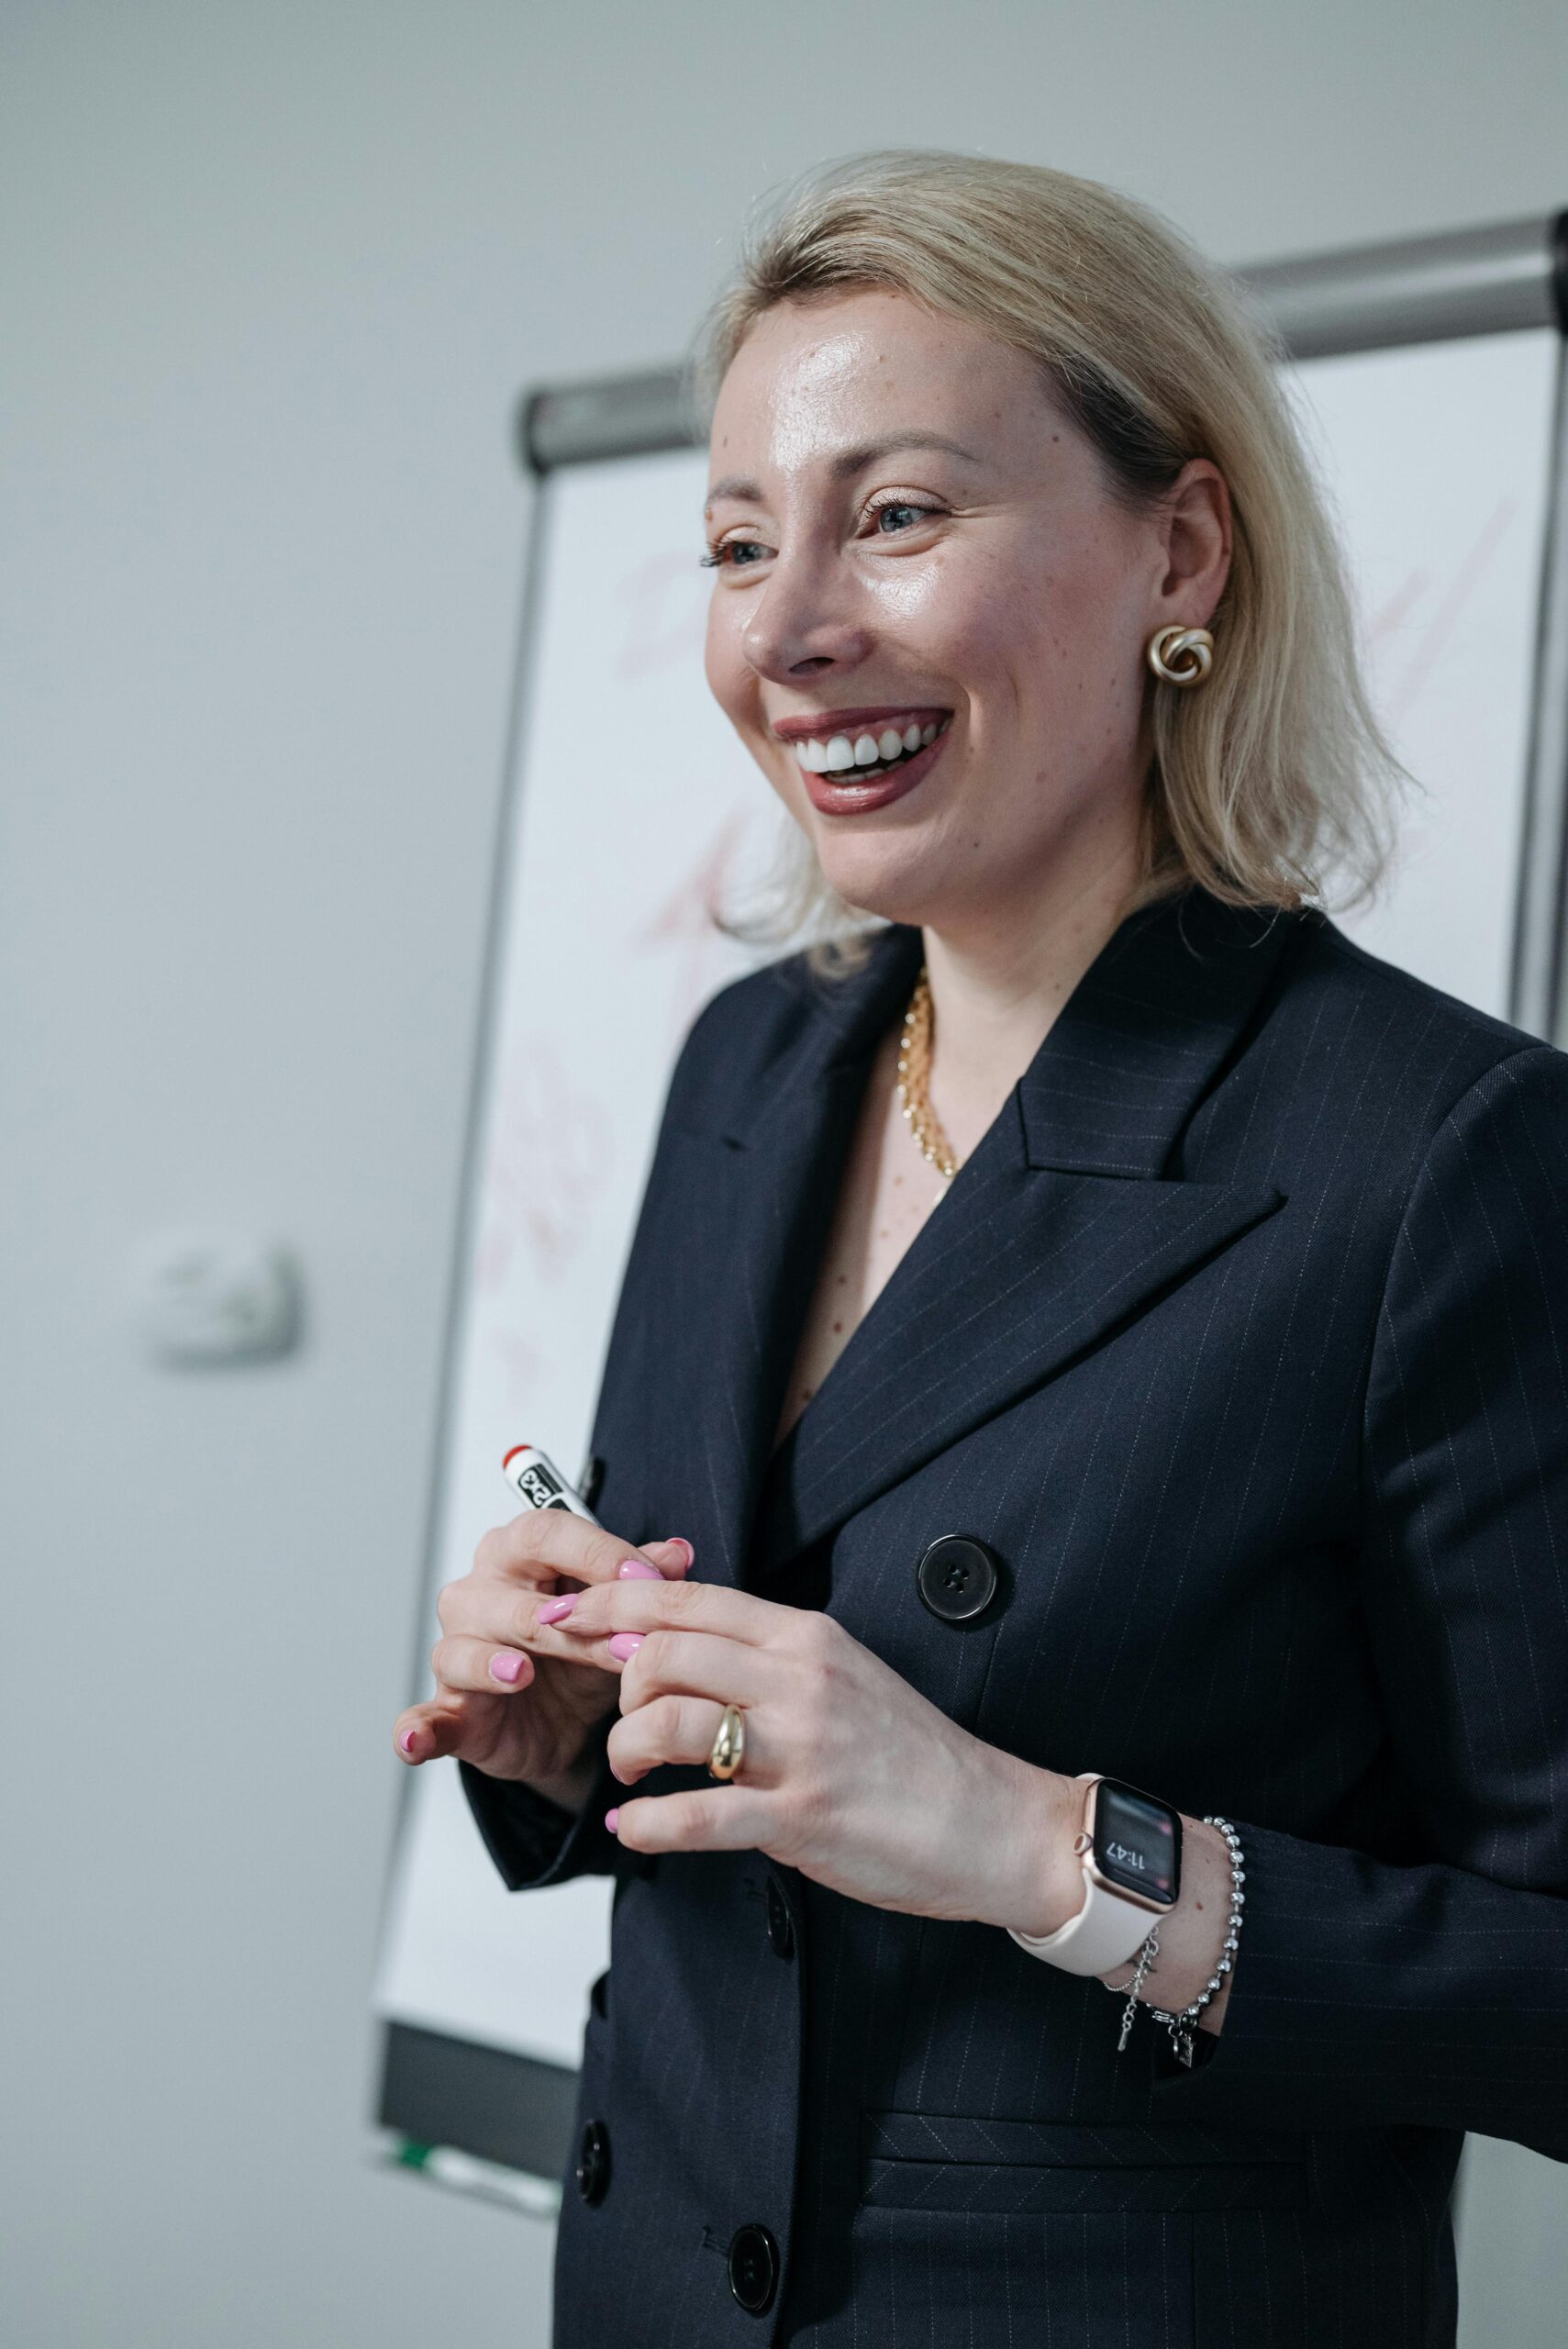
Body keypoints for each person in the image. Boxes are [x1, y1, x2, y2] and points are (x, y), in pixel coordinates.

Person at [393, 151, 1568, 2346]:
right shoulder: (755, 1057)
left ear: (1180, 553)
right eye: (741, 540)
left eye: (899, 514)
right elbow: (746, 1732)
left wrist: (1041, 1842)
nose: (785, 626)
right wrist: (571, 1727)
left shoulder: (1446, 1153)